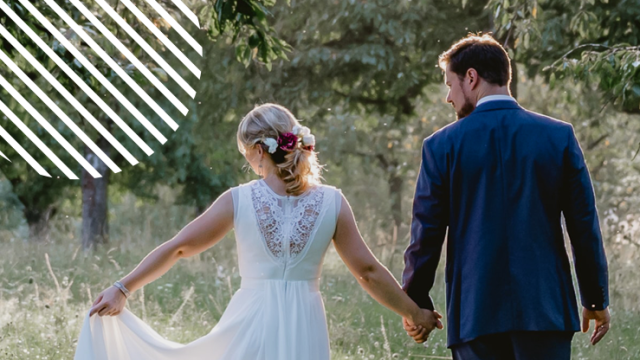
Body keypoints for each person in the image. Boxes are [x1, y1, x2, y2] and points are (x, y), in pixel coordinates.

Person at [74, 103, 438, 359]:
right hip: (304, 322)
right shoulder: (332, 202)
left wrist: (123, 287)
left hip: (251, 318)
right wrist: (414, 313)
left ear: (257, 152)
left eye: (246, 153)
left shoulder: (238, 200)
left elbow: (180, 247)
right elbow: (368, 272)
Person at [401, 33, 611, 360]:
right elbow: (584, 226)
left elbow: (425, 233)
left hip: (475, 313)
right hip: (546, 312)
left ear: (471, 77)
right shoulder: (558, 137)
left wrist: (416, 304)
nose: (449, 97)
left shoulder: (441, 146)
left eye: (449, 84)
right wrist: (595, 299)